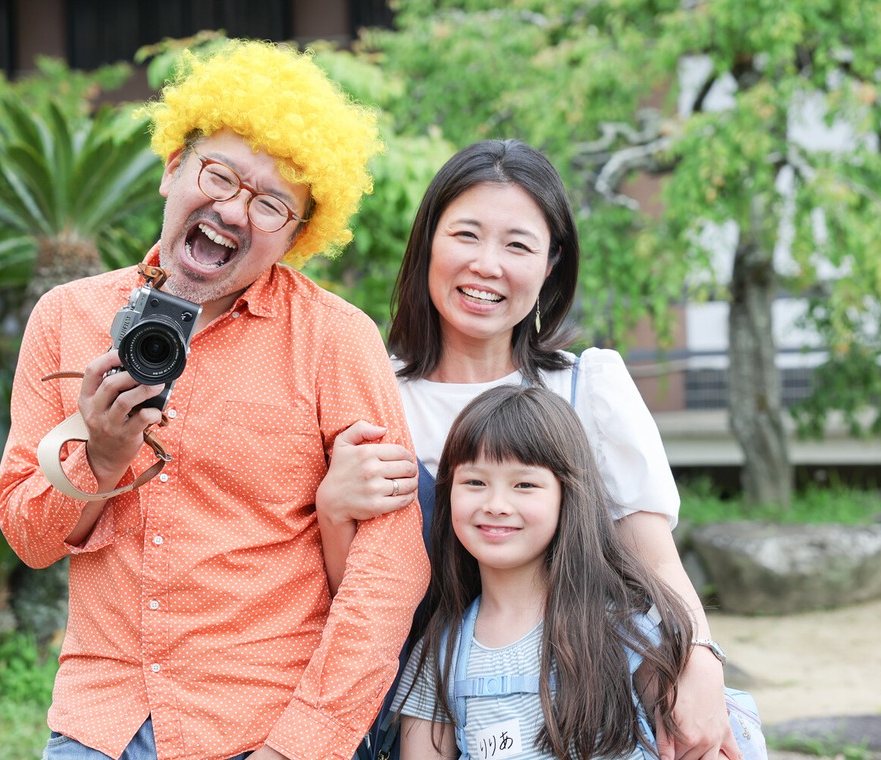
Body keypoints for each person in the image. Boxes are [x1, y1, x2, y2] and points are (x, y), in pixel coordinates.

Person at [0, 40, 429, 760]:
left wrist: (303, 745)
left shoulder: (335, 339)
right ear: (173, 170)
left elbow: (392, 569)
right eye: (220, 175)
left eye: (270, 205)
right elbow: (28, 536)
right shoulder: (67, 317)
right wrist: (100, 459)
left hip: (266, 718)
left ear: (295, 237)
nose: (233, 210)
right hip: (103, 718)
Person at [314, 139, 739, 759]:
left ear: (550, 264)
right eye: (466, 235)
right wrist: (333, 509)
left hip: (580, 693)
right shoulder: (368, 388)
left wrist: (698, 657)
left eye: (517, 244)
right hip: (406, 706)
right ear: (429, 241)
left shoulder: (586, 386)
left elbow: (653, 561)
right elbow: (349, 605)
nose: (487, 265)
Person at [394, 384, 696, 759]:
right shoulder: (442, 651)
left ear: (567, 495)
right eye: (475, 482)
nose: (496, 504)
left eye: (524, 484)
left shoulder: (621, 626)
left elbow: (695, 739)